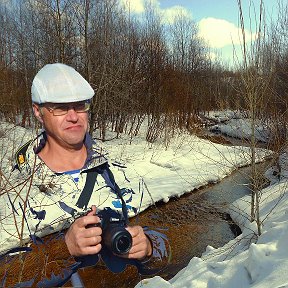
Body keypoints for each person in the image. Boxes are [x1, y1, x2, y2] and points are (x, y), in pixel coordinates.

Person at [0, 63, 169, 287]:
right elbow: (5, 277)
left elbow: (165, 249)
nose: (73, 117)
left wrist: (148, 247)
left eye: (80, 105)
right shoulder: (15, 188)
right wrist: (63, 249)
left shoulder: (117, 172)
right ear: (38, 112)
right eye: (60, 108)